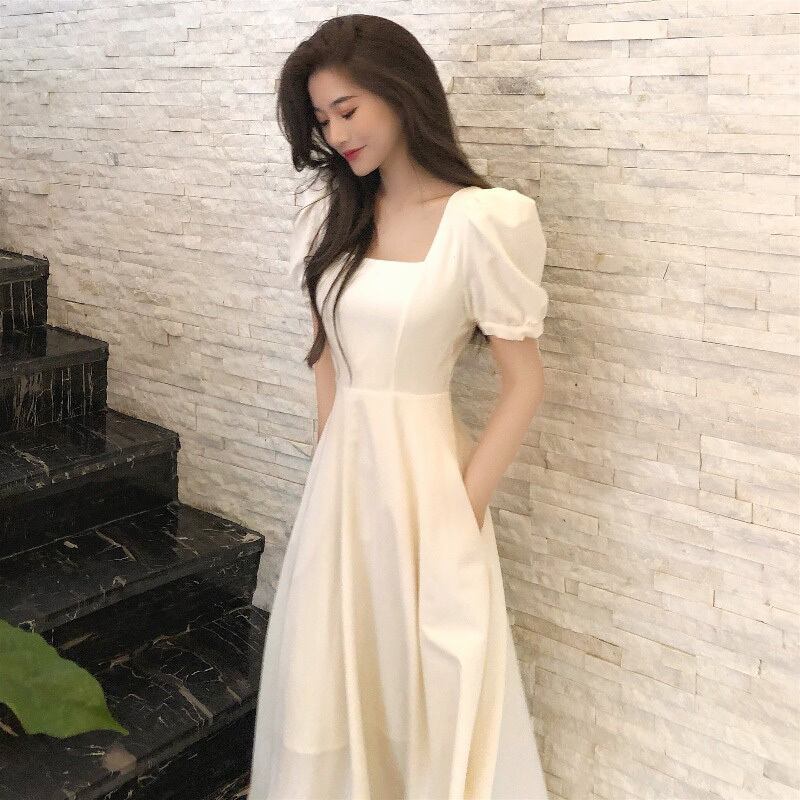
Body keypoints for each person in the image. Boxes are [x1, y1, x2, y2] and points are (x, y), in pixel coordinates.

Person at [248, 13, 550, 800]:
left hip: (430, 489)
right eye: (322, 120)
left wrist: (461, 508)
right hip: (342, 489)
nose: (336, 134)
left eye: (347, 110)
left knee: (429, 685)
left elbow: (525, 383)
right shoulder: (332, 216)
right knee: (331, 676)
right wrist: (328, 470)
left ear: (400, 90)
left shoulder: (482, 221)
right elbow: (325, 356)